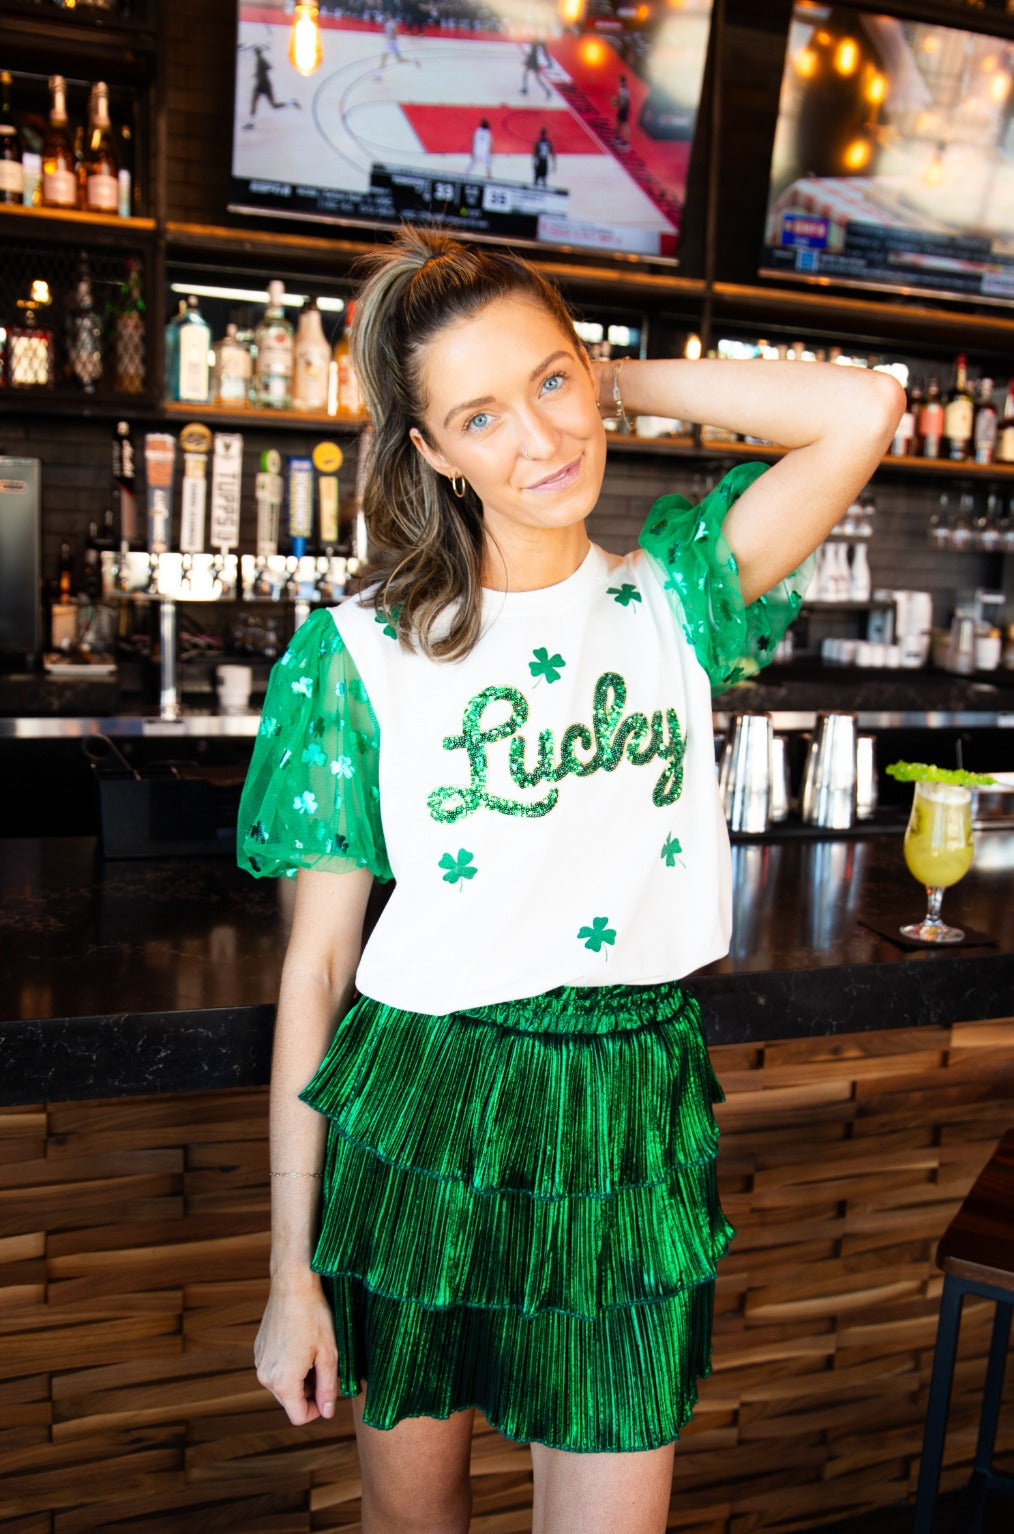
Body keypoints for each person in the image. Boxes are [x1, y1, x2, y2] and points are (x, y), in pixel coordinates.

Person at [238, 227, 903, 1532]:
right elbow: (315, 969)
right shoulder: (361, 656)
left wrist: (619, 379)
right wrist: (288, 1274)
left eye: (550, 382)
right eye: (480, 416)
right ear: (432, 452)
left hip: (629, 1116)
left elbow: (862, 407)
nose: (541, 438)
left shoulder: (678, 601)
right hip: (426, 1109)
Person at [243, 46, 299, 130]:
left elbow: (269, 67)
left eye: (255, 51)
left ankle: (291, 102)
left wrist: (261, 74)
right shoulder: (259, 60)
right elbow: (265, 69)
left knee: (271, 105)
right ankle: (251, 123)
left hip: (263, 85)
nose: (254, 53)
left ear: (257, 52)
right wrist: (258, 74)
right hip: (262, 85)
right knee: (262, 104)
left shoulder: (261, 60)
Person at [613, 73, 631, 147]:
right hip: (625, 108)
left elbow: (623, 101)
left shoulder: (622, 89)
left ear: (620, 81)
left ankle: (625, 142)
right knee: (619, 123)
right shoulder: (626, 88)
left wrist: (615, 102)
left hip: (623, 109)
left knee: (624, 125)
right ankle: (617, 138)